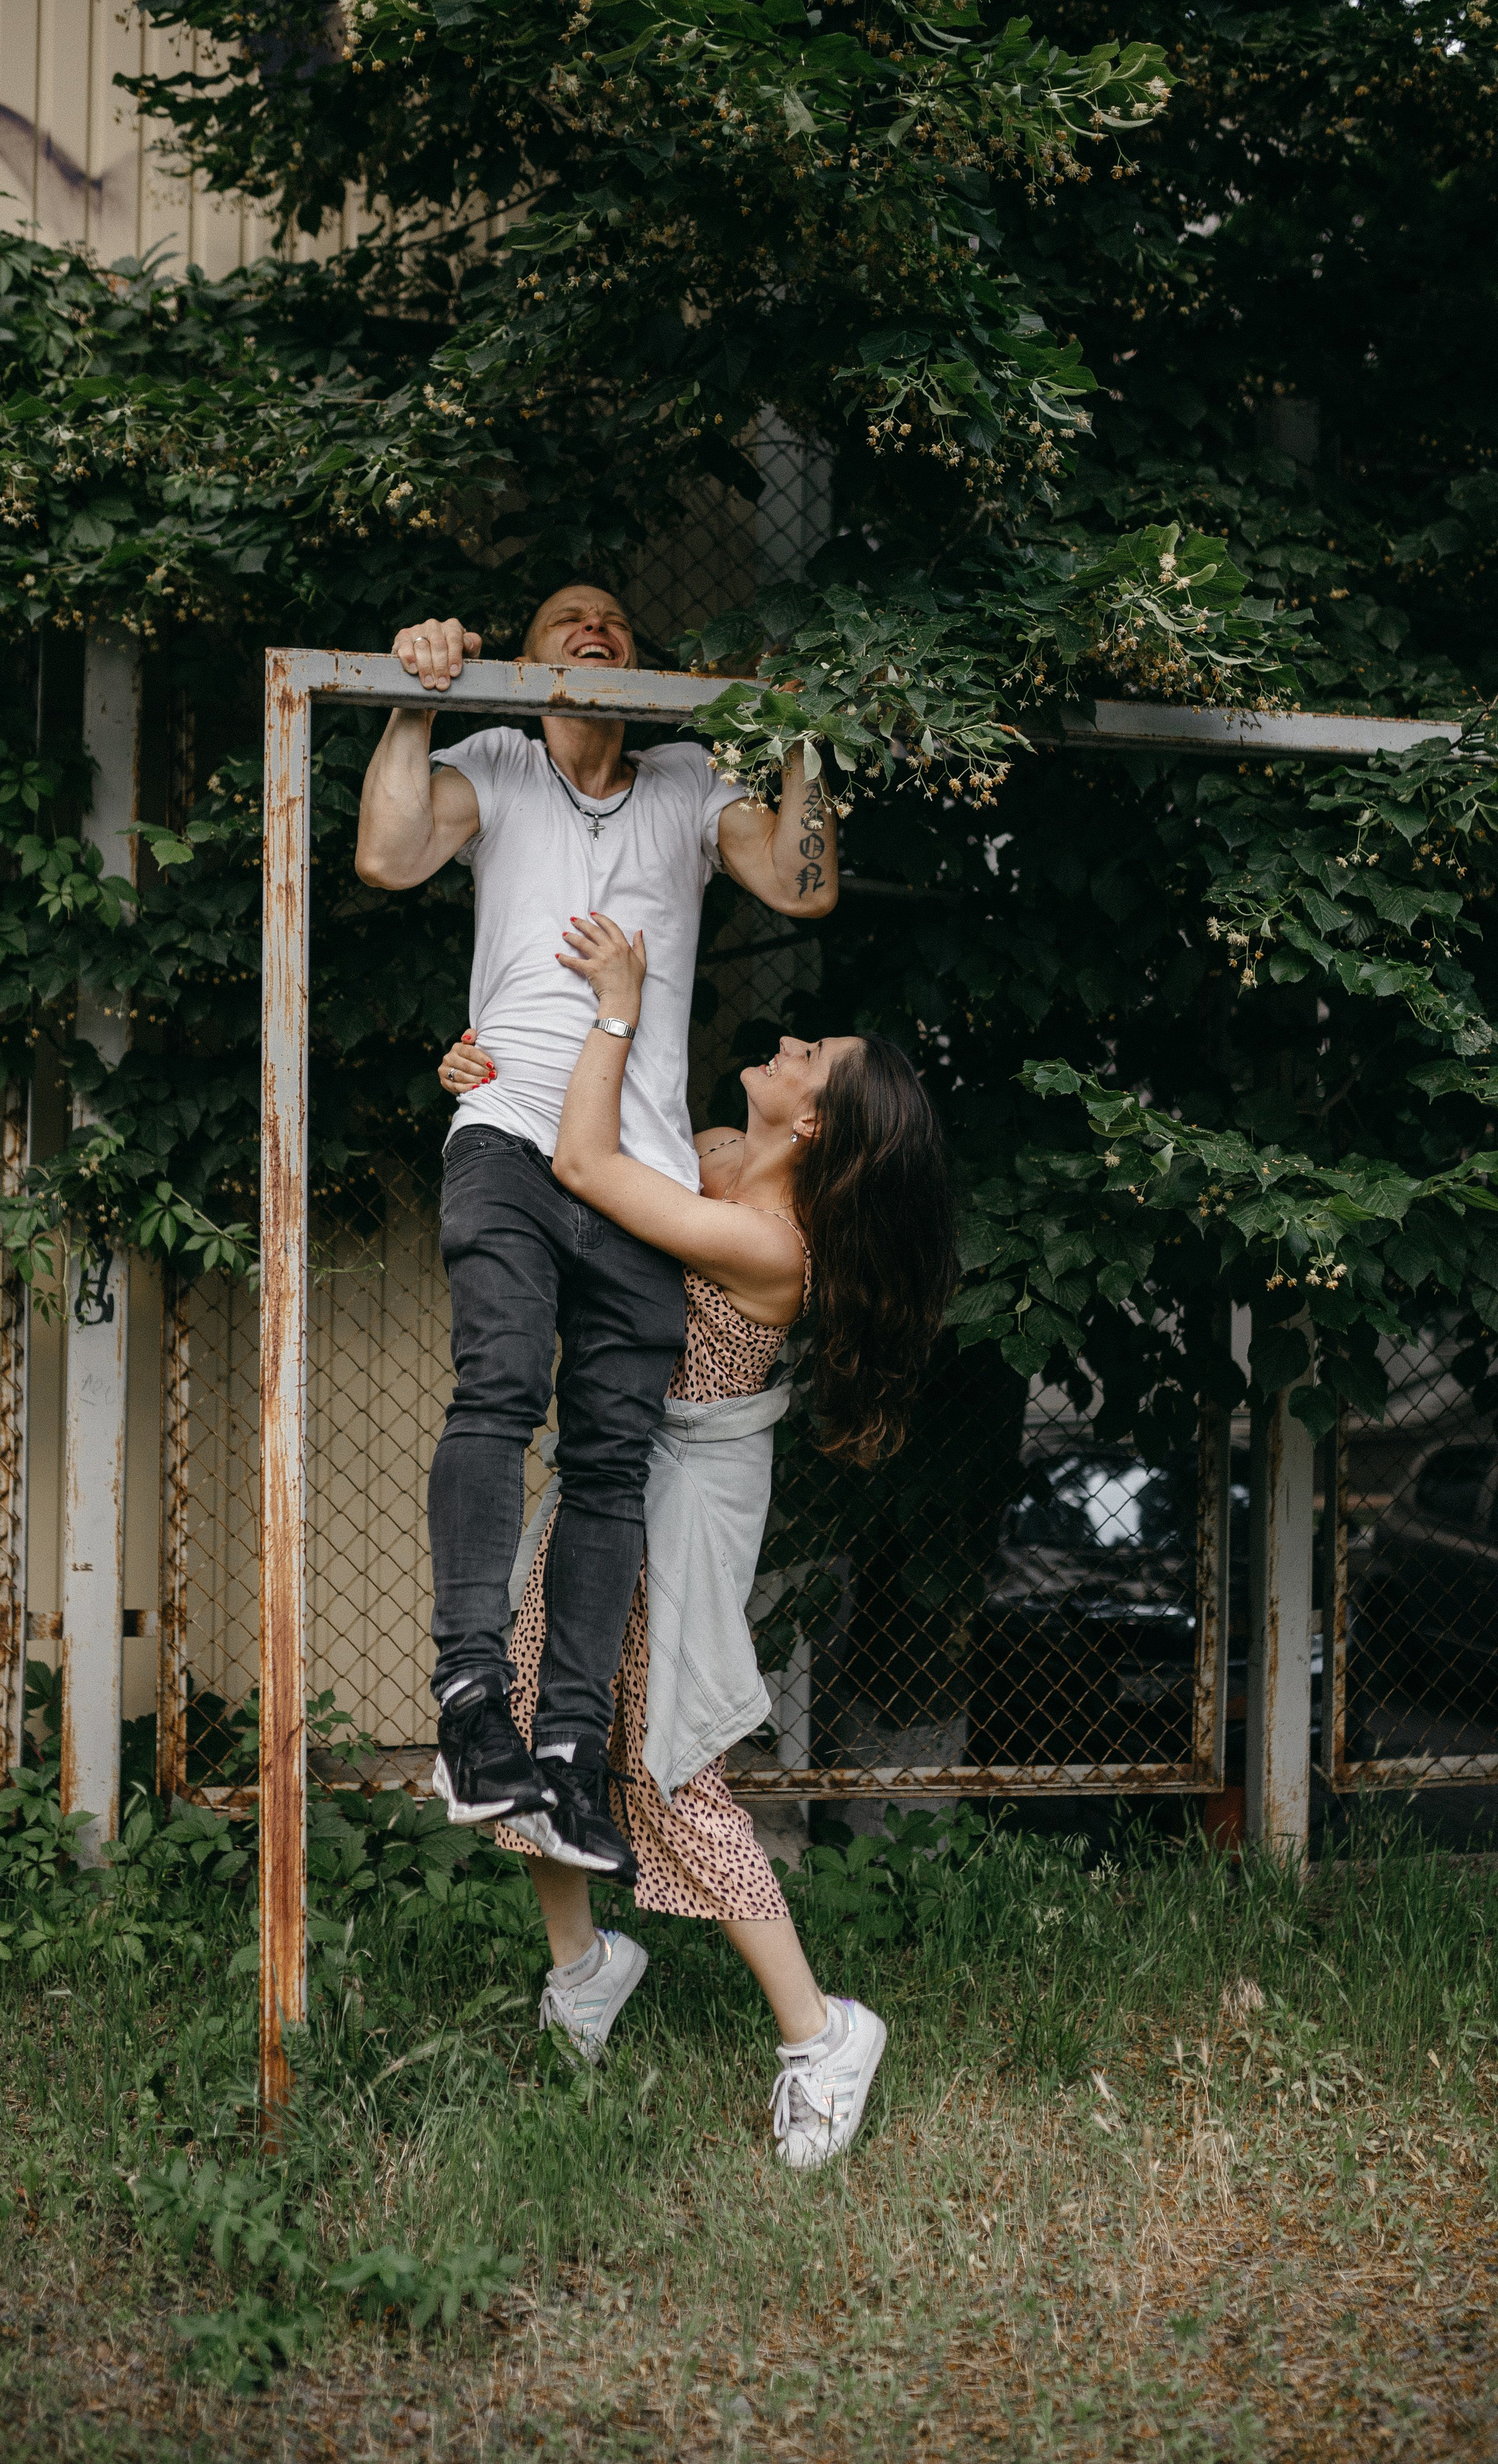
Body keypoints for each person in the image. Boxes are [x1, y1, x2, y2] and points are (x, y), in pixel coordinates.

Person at [436, 908, 955, 2166]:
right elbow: (566, 1145)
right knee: (525, 1698)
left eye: (805, 1053)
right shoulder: (714, 1149)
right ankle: (586, 1964)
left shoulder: (773, 1243)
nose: (781, 1041)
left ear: (813, 1121)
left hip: (684, 1502)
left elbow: (588, 1173)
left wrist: (617, 1007)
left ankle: (820, 2029)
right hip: (615, 1468)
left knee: (670, 1764)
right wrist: (486, 1076)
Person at [355, 588, 839, 1871]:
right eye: (567, 615)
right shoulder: (495, 760)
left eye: (621, 617)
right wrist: (417, 698)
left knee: (610, 1461)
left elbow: (801, 887)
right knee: (498, 1391)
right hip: (509, 1130)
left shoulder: (685, 775)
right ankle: (471, 1703)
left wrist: (797, 731)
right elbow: (388, 857)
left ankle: (566, 1753)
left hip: (641, 1173)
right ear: (522, 659)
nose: (599, 626)